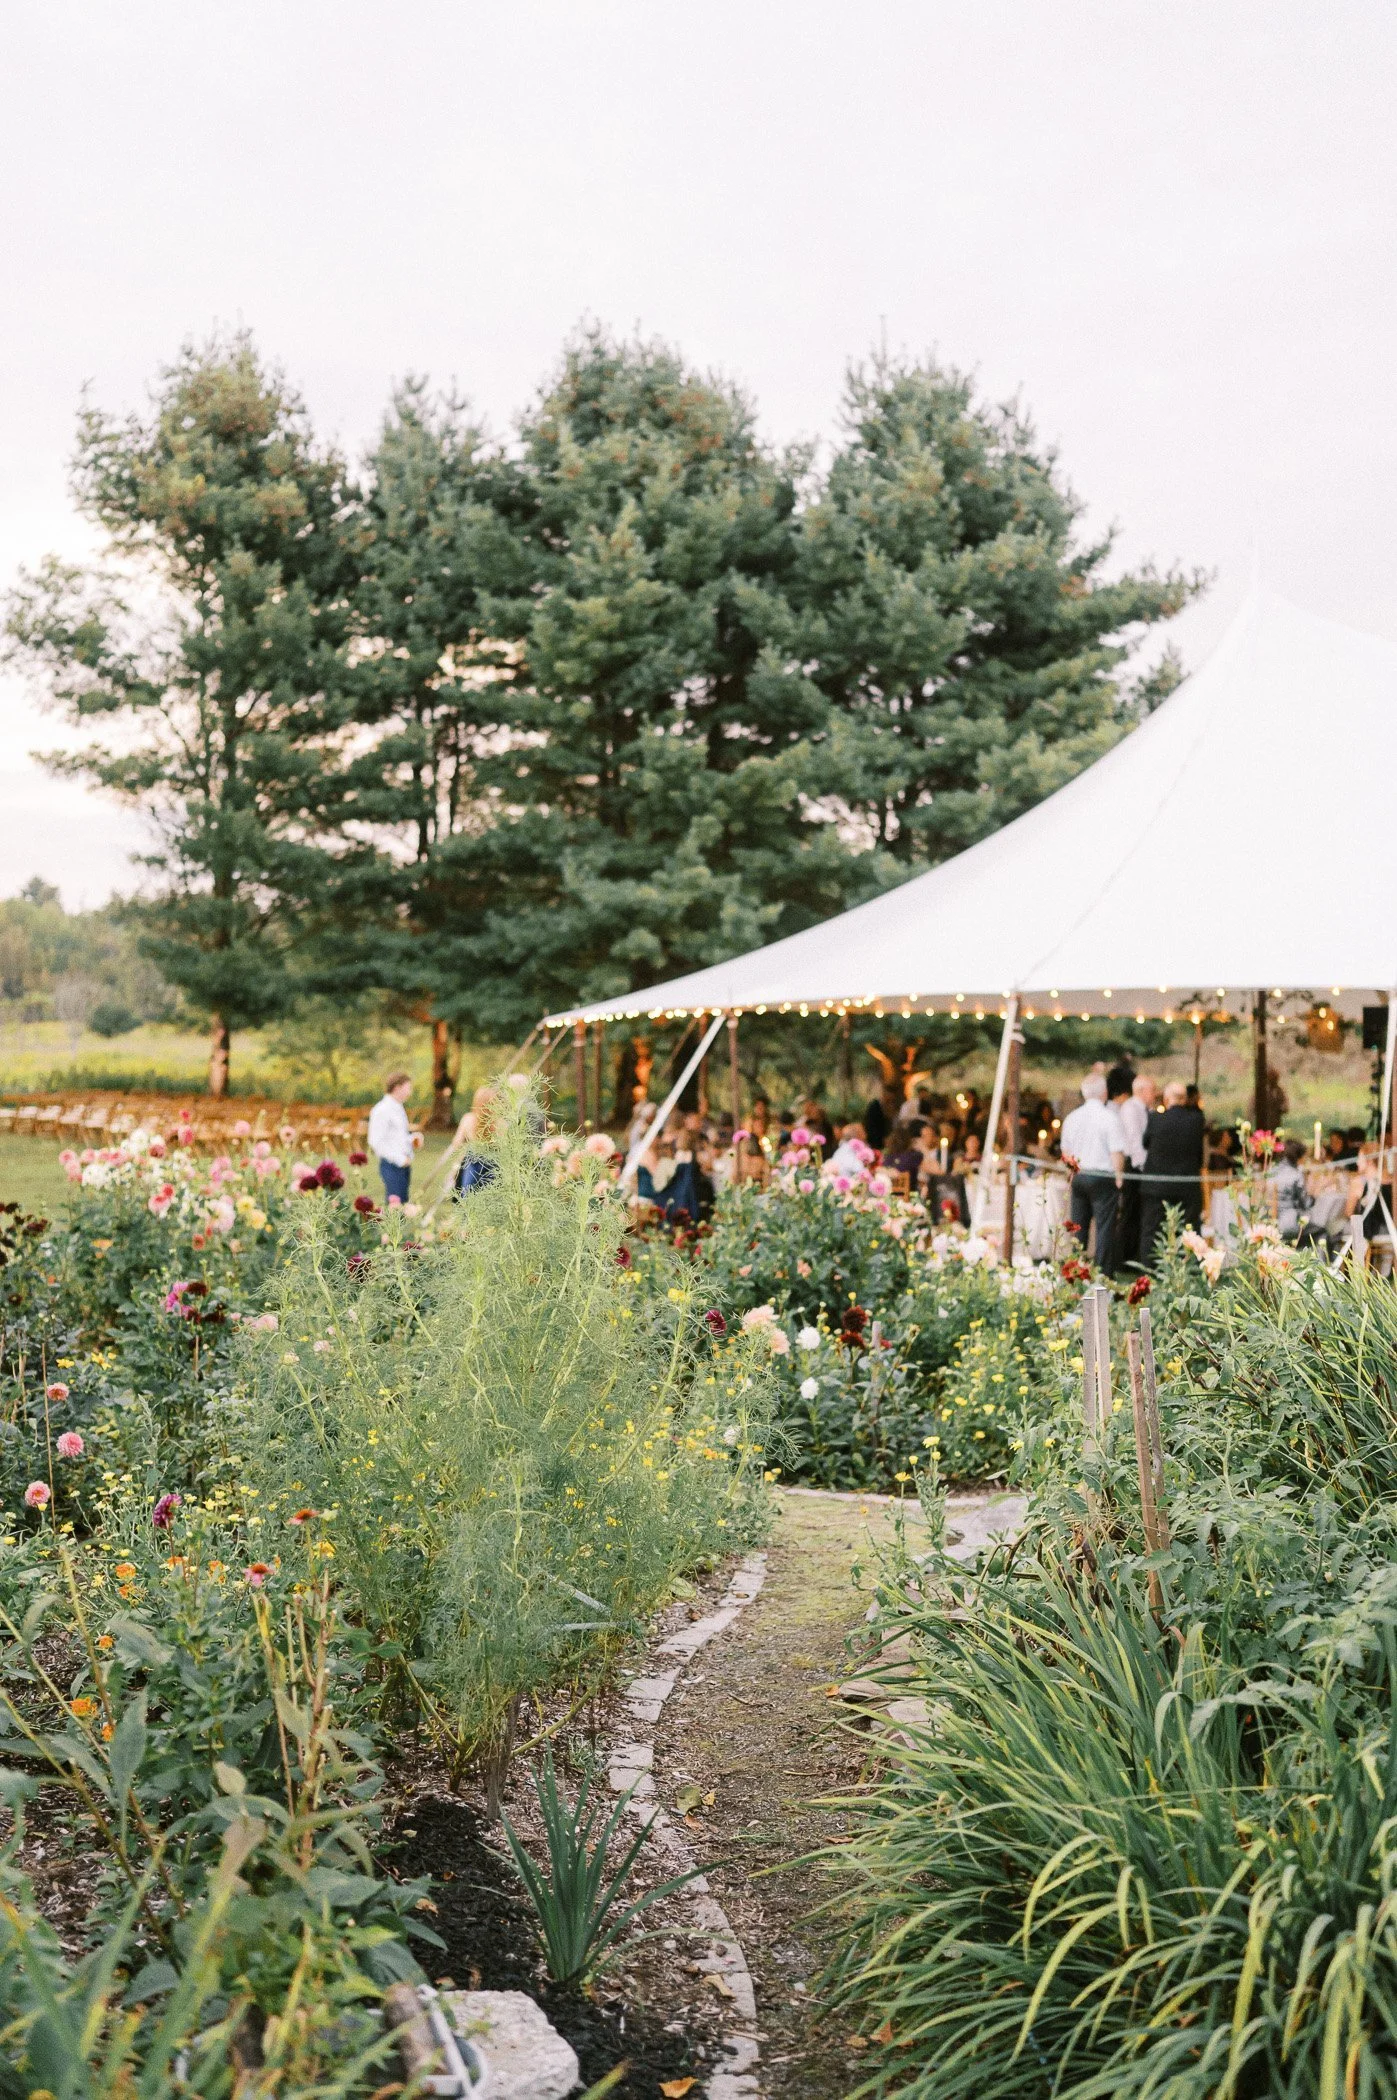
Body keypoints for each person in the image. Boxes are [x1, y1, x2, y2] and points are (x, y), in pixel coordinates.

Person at [1060, 1073, 1126, 1266]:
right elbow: (1116, 1152)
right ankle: (1103, 1272)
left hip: (1079, 1175)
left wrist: (1069, 1173)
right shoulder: (1109, 1118)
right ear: (1104, 1093)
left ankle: (1076, 1268)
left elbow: (1066, 1151)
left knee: (1078, 1226)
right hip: (1102, 1176)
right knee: (1104, 1227)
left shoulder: (1072, 1118)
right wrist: (1119, 1176)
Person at [1139, 1079, 1206, 1265]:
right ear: (1184, 1100)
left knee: (1151, 1228)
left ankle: (1149, 1267)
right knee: (1190, 1227)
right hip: (1186, 1185)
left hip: (1157, 1185)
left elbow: (1145, 1143)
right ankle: (1191, 1264)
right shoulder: (1196, 1120)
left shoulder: (1155, 1118)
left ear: (1167, 1098)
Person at [1113, 1072, 1154, 1274]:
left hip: (1139, 1165)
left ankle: (1132, 1258)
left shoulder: (1144, 1109)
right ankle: (1123, 1260)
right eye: (1152, 1090)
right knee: (1129, 1213)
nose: (1154, 1094)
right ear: (1142, 1091)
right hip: (1134, 1166)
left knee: (1137, 1213)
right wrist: (1146, 1168)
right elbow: (1134, 1140)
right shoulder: (1131, 1109)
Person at [368, 1070, 419, 1206]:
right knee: (394, 1206)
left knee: (402, 1203)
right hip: (391, 1165)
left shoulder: (398, 1107)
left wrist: (413, 1139)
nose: (410, 1092)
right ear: (397, 1088)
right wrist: (400, 1160)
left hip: (404, 1165)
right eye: (408, 1088)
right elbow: (375, 1141)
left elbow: (398, 1136)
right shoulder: (382, 1110)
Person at [453, 1086, 499, 1198]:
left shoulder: (468, 1119)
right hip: (493, 1163)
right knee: (491, 1198)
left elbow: (457, 1143)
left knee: (468, 1197)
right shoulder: (499, 1122)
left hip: (472, 1162)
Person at [1271, 1138, 1311, 1240]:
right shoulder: (1296, 1175)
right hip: (1288, 1226)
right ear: (1298, 1156)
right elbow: (1306, 1204)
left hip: (1267, 1224)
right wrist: (1315, 1195)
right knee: (1322, 1232)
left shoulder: (1271, 1171)